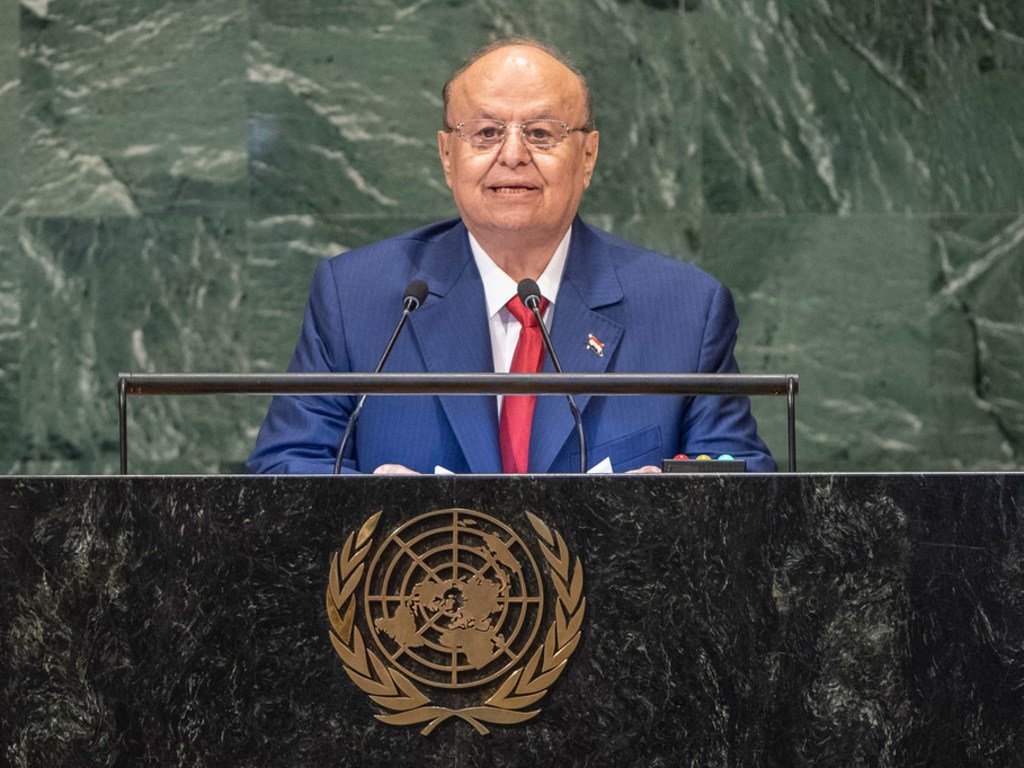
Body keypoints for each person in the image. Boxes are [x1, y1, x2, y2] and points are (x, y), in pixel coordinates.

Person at [246, 38, 776, 475]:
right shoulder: (356, 296)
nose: (514, 154)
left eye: (543, 133)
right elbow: (285, 468)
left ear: (588, 157)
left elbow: (742, 479)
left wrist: (662, 505)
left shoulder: (685, 308)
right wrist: (377, 511)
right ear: (448, 157)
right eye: (486, 133)